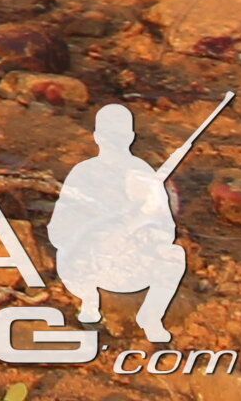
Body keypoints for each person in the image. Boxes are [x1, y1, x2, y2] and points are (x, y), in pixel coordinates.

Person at [49, 101, 191, 343]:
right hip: (90, 259)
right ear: (97, 137)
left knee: (175, 256)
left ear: (131, 137)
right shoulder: (83, 172)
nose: (114, 141)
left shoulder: (142, 173)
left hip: (132, 258)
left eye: (120, 135)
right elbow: (59, 229)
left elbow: (164, 226)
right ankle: (90, 307)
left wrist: (143, 219)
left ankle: (151, 316)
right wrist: (101, 230)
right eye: (108, 135)